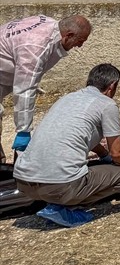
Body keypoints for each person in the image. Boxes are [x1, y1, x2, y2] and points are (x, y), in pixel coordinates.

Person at [13, 63, 120, 228]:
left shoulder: (67, 98)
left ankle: (57, 202)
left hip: (24, 181)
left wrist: (103, 155)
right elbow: (118, 152)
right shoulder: (106, 104)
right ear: (112, 86)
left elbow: (80, 135)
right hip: (59, 186)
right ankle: (63, 207)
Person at [1, 14, 92, 162]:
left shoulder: (50, 26)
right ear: (68, 35)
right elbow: (25, 90)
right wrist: (23, 131)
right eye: (80, 41)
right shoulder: (35, 47)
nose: (80, 46)